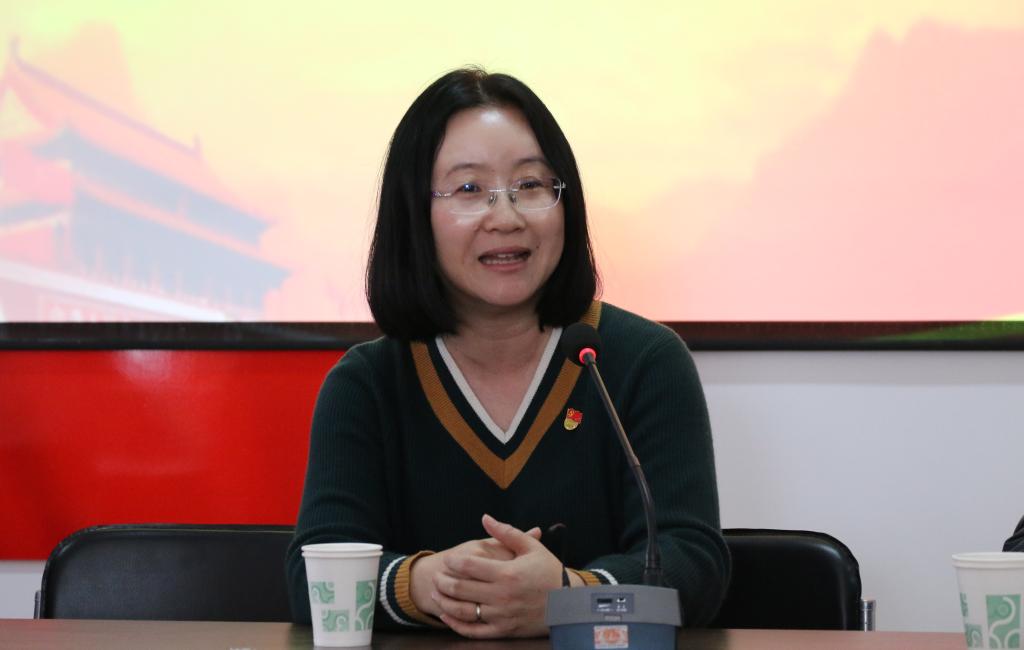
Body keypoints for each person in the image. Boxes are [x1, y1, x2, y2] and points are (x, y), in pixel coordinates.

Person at [285, 67, 730, 639]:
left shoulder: (642, 361)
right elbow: (313, 577)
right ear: (414, 214)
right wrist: (429, 584)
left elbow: (694, 566)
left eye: (532, 185)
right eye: (470, 189)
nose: (507, 217)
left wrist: (566, 598)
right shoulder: (368, 384)